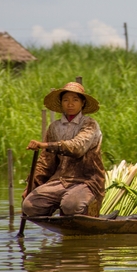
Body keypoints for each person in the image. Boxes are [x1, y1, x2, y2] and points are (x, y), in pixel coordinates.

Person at [22, 82, 105, 217]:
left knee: (70, 205)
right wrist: (32, 185)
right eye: (66, 100)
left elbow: (77, 147)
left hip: (86, 181)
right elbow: (46, 162)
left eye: (75, 100)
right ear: (61, 103)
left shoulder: (90, 124)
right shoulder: (54, 127)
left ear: (82, 103)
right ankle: (60, 210)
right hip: (60, 180)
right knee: (29, 205)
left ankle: (84, 210)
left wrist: (46, 145)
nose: (70, 104)